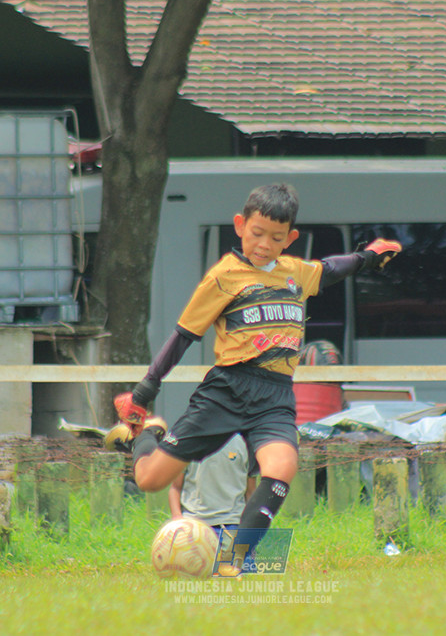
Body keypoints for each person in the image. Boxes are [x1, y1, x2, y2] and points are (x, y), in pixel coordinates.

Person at [115, 182, 400, 575]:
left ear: (291, 238)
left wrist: (368, 257)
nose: (265, 244)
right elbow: (183, 336)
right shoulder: (223, 277)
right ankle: (144, 431)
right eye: (257, 233)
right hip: (226, 391)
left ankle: (235, 560)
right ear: (240, 225)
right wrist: (145, 392)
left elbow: (331, 269)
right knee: (148, 479)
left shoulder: (294, 272)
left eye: (277, 237)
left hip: (275, 397)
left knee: (281, 467)